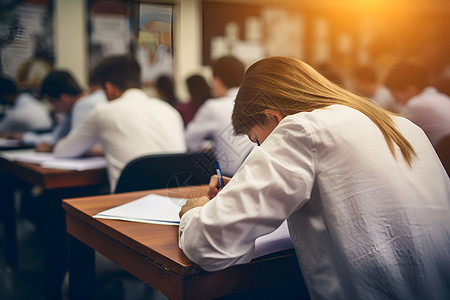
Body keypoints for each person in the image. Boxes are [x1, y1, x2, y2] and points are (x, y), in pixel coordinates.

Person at [178, 57, 450, 300]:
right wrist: (240, 187)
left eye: (258, 141)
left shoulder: (300, 129)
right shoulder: (401, 125)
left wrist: (196, 209)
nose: (260, 150)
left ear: (273, 116)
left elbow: (208, 244)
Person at [53, 55, 186, 192]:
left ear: (109, 88)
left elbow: (63, 151)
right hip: (175, 201)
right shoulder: (169, 110)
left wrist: (78, 147)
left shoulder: (104, 111)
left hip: (127, 203)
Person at [185, 56, 254, 176]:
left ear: (216, 80)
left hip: (229, 178)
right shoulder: (255, 101)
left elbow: (189, 142)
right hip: (257, 173)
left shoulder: (212, 107)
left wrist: (210, 146)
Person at [6, 70, 107, 151]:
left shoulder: (84, 105)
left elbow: (77, 146)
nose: (53, 108)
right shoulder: (77, 107)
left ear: (64, 98)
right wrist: (24, 138)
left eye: (52, 102)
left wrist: (54, 148)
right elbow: (56, 137)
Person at [384, 61, 450, 148]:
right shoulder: (441, 97)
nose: (396, 101)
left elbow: (395, 133)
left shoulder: (416, 104)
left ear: (410, 90)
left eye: (395, 95)